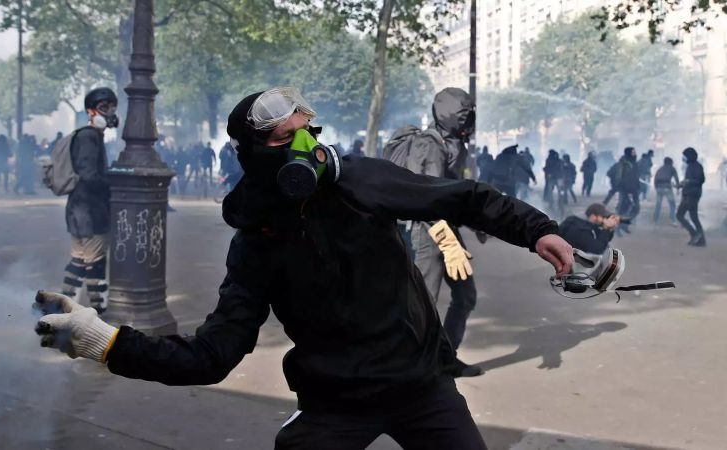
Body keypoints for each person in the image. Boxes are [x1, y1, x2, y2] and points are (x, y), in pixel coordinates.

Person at [33, 87, 574, 450]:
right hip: (335, 406)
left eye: (308, 130)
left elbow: (466, 198)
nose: (306, 145)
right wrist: (103, 341)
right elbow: (210, 356)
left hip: (422, 389)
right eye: (286, 138)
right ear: (253, 155)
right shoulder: (255, 242)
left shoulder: (358, 179)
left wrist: (539, 231)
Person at [404, 88, 485, 377]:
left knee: (465, 295)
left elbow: (453, 193)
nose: (469, 120)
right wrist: (447, 243)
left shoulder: (454, 144)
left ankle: (444, 358)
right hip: (430, 234)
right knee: (424, 305)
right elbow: (426, 199)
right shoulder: (431, 144)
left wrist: (478, 221)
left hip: (446, 230)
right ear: (449, 115)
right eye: (463, 114)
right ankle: (415, 368)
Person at [60, 87, 118, 313]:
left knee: (79, 261)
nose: (110, 113)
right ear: (91, 112)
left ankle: (63, 307)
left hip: (79, 212)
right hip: (90, 212)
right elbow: (89, 175)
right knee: (95, 263)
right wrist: (112, 181)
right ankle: (100, 310)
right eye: (105, 108)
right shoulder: (89, 137)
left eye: (112, 108)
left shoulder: (89, 136)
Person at [677, 147, 706, 247]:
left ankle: (695, 234)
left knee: (680, 215)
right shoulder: (691, 166)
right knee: (694, 217)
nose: (683, 158)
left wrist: (688, 182)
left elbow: (700, 180)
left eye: (685, 156)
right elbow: (689, 180)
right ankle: (700, 238)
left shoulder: (696, 166)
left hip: (691, 194)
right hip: (690, 193)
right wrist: (682, 184)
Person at [652, 157, 680, 225]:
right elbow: (676, 179)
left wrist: (656, 188)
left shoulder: (660, 169)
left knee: (658, 204)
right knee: (672, 204)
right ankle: (673, 219)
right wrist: (678, 188)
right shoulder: (672, 168)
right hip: (667, 187)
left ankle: (655, 219)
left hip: (659, 187)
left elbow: (655, 179)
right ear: (671, 163)